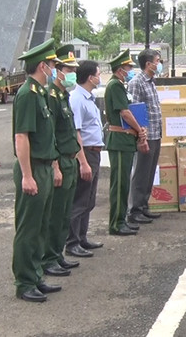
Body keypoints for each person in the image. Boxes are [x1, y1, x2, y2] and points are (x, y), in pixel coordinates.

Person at [11, 39, 62, 303]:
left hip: (43, 165)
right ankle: (24, 282)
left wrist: (52, 166)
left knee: (41, 226)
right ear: (43, 65)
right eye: (53, 65)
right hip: (32, 168)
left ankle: (36, 275)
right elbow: (22, 137)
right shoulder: (28, 94)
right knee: (29, 228)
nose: (55, 69)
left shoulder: (40, 93)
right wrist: (27, 176)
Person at [41, 45, 91, 277]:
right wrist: (55, 166)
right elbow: (50, 134)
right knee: (55, 215)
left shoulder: (63, 95)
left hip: (70, 159)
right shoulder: (50, 96)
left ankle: (57, 255)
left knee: (63, 215)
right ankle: (49, 258)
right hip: (60, 160)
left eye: (73, 69)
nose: (71, 73)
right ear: (57, 70)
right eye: (68, 69)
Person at [105, 50, 146, 236]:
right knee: (119, 184)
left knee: (124, 183)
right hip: (119, 140)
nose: (130, 70)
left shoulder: (120, 85)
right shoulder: (114, 86)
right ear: (120, 69)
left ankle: (121, 220)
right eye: (128, 67)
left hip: (126, 139)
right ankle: (116, 223)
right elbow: (124, 112)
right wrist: (139, 128)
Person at [66, 59, 105, 258]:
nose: (100, 77)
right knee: (80, 199)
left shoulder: (88, 98)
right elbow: (76, 133)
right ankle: (72, 242)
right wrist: (82, 162)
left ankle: (82, 237)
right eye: (98, 74)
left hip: (94, 152)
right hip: (86, 153)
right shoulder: (77, 99)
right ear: (90, 78)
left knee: (89, 199)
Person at [126, 49, 164, 226]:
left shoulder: (151, 82)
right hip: (145, 135)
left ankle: (144, 205)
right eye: (157, 60)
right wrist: (141, 136)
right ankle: (135, 210)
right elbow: (135, 111)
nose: (159, 63)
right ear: (148, 64)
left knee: (149, 173)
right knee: (140, 172)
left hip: (156, 133)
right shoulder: (137, 82)